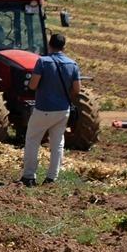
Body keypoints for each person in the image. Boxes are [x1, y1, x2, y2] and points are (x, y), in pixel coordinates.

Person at [20, 33, 79, 187]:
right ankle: (52, 178)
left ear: (49, 45)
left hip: (43, 108)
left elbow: (33, 85)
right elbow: (77, 89)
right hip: (63, 110)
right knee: (58, 143)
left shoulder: (43, 62)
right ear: (64, 47)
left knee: (33, 140)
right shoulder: (72, 64)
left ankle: (29, 176)